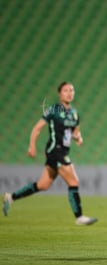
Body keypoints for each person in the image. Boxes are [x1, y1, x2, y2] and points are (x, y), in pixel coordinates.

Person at [2, 82, 98, 225]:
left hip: (63, 150)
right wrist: (32, 146)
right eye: (66, 90)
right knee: (74, 181)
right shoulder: (54, 109)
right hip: (55, 150)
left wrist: (78, 137)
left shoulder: (74, 113)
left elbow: (74, 131)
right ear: (59, 94)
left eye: (72, 90)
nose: (69, 93)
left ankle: (10, 197)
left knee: (43, 185)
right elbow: (37, 128)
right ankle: (79, 217)